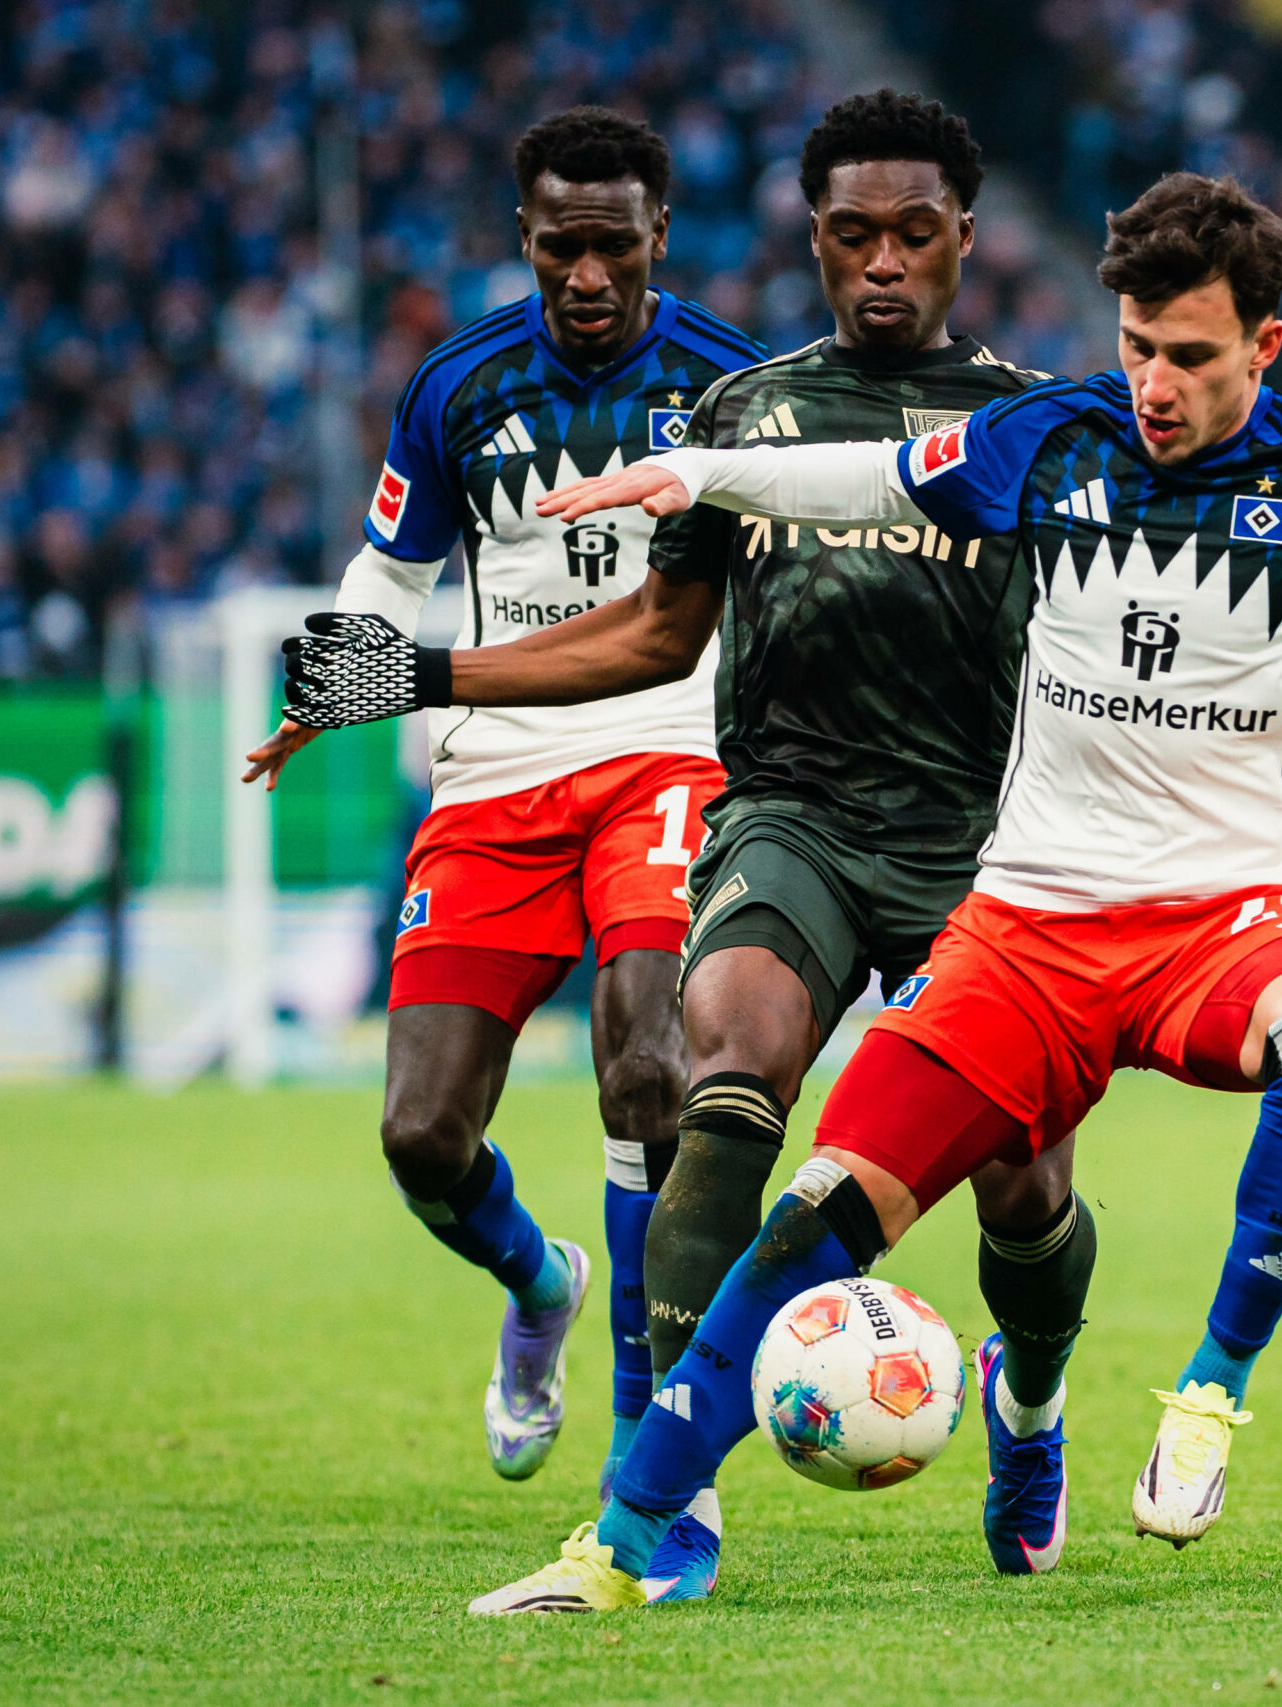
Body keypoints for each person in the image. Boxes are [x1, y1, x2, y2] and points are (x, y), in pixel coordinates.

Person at [286, 170, 1282, 1613]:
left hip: (1228, 914)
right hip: (1028, 926)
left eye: (1189, 357)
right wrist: (704, 472)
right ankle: (620, 1546)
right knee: (808, 1218)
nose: (1154, 384)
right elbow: (869, 474)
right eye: (1136, 347)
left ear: (1263, 345)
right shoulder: (1049, 440)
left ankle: (1208, 1390)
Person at [273, 92, 1092, 1589]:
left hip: (975, 839)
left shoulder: (1039, 429)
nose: (885, 261)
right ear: (814, 238)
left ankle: (1028, 1404)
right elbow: (656, 632)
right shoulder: (744, 413)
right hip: (781, 813)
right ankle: (667, 1500)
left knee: (1025, 1191)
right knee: (705, 1077)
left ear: (966, 238)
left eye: (915, 233)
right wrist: (407, 675)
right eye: (855, 233)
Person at [241, 107, 764, 1599]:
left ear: (659, 236)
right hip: (497, 770)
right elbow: (391, 569)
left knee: (649, 1059)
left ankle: (649, 1468)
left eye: (613, 245)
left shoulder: (731, 388)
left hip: (669, 744)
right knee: (420, 1135)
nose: (587, 274)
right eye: (558, 246)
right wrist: (332, 684)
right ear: (524, 237)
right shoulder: (456, 384)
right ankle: (540, 1284)